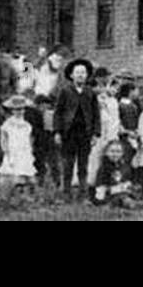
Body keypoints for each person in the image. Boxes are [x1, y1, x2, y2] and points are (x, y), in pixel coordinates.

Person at [54, 58, 100, 200]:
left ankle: (83, 195)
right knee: (68, 164)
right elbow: (58, 113)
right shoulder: (65, 91)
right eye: (77, 73)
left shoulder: (90, 93)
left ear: (87, 76)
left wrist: (96, 134)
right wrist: (57, 132)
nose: (80, 75)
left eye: (83, 73)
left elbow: (96, 114)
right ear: (72, 75)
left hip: (85, 133)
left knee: (83, 165)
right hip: (69, 133)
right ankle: (66, 194)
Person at [0, 94, 37, 191]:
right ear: (12, 110)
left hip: (24, 151)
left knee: (27, 175)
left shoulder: (27, 125)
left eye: (21, 109)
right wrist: (6, 151)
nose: (19, 112)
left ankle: (26, 195)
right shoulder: (8, 124)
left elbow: (29, 139)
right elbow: (3, 139)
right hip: (13, 151)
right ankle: (14, 194)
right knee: (14, 174)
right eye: (17, 109)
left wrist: (30, 151)